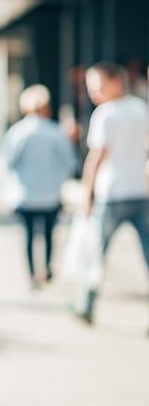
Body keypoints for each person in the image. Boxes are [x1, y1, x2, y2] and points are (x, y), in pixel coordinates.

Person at [75, 62, 149, 325]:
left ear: (116, 82)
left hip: (111, 195)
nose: (94, 94)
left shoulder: (105, 115)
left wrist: (87, 194)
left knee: (97, 253)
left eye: (98, 87)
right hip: (141, 193)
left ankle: (86, 305)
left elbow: (96, 158)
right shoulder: (142, 109)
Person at [2, 84, 77, 289]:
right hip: (51, 194)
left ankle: (32, 276)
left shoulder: (16, 133)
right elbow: (70, 163)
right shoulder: (56, 132)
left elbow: (8, 162)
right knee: (49, 233)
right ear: (47, 107)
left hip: (24, 193)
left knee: (28, 236)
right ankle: (47, 268)